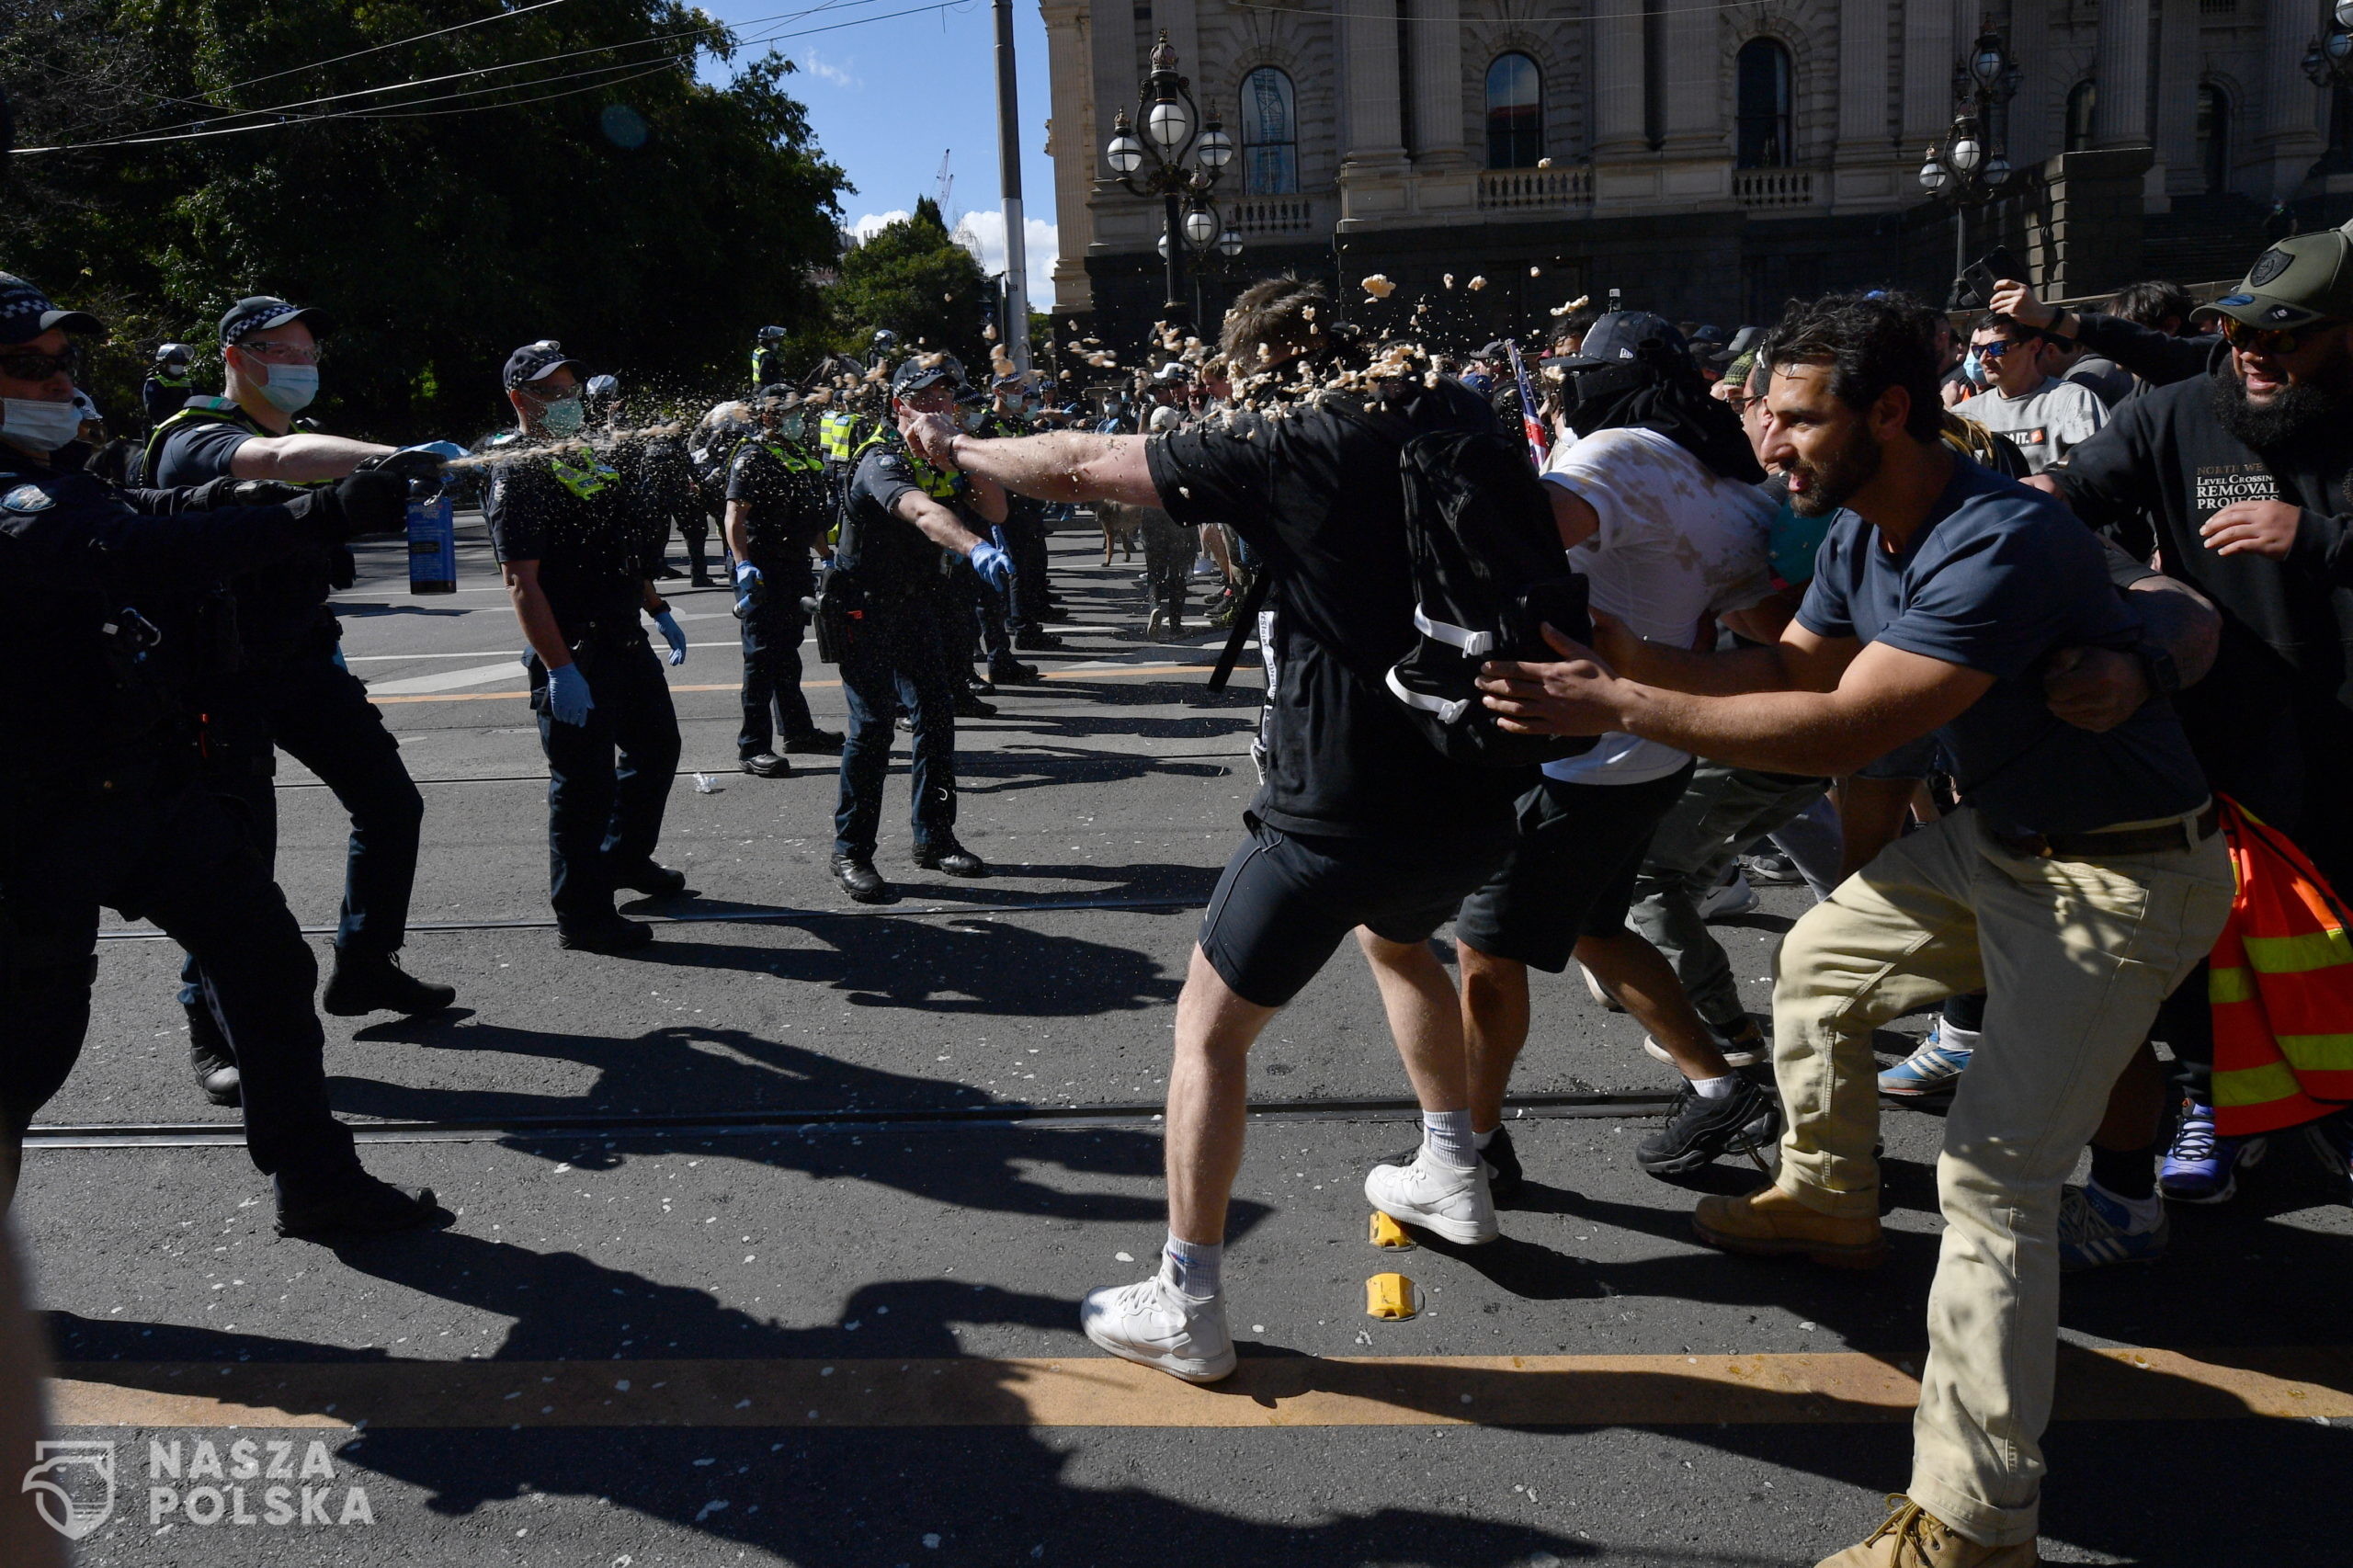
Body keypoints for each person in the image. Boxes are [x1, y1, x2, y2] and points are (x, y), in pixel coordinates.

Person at [1475, 290, 2230, 1568]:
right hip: (1999, 842)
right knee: (1820, 960)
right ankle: (1828, 1201)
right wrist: (1633, 659)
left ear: (1890, 410)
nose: (1770, 447)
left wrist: (1624, 701)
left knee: (1994, 1181)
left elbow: (1844, 730)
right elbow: (1791, 671)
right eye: (1764, 415)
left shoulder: (1996, 537)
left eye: (1797, 421)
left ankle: (1976, 1527)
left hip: (2121, 877)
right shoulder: (1858, 531)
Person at [900, 277, 1544, 1385]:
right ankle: (1455, 1169)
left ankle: (1186, 1300)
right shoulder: (1453, 411)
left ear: (1246, 367)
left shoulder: (1286, 436)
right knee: (1397, 942)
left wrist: (960, 448)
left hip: (1334, 807)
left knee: (1206, 1032)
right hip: (1477, 789)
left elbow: (1074, 465)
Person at [0, 271, 446, 1237]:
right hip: (30, 818)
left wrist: (320, 499)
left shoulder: (61, 474)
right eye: (23, 366)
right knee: (27, 1055)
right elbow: (123, 549)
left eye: (60, 362)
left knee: (265, 956)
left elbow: (147, 513)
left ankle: (316, 1177)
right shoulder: (12, 497)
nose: (52, 382)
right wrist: (313, 513)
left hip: (133, 780)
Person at [2038, 224, 2353, 1198]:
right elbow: (2058, 501)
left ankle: (2337, 1102)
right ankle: (2208, 1098)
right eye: (2237, 332)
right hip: (2226, 734)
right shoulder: (2174, 414)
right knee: (2202, 936)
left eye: (2284, 338)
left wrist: (2316, 536)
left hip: (2343, 734)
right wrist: (2134, 588)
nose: (2253, 355)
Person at [1450, 312, 1781, 1190]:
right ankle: (1720, 1086)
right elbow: (1759, 621)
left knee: (1487, 948)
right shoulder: (1723, 477)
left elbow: (1511, 539)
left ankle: (1469, 1150)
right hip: (1649, 746)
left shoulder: (1620, 454)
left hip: (1578, 751)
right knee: (1596, 925)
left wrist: (1452, 459)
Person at [146, 294, 454, 1108]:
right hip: (221, 680)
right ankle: (210, 1031)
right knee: (237, 865)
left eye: (310, 349)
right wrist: (395, 454)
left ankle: (365, 964)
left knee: (392, 805)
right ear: (237, 358)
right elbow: (279, 466)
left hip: (303, 661)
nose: (302, 363)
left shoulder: (290, 434)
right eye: (285, 350)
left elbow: (300, 471)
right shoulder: (193, 438)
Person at [484, 340, 690, 953]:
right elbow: (521, 579)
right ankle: (582, 912)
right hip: (576, 649)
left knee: (657, 749)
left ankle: (625, 858)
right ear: (521, 398)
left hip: (624, 636)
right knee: (583, 785)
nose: (570, 401)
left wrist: (656, 607)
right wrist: (558, 668)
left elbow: (619, 544)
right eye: (554, 391)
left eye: (574, 389)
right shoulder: (517, 466)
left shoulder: (587, 455)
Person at [825, 355, 1015, 903]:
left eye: (946, 398)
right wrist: (975, 547)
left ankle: (933, 838)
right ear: (898, 406)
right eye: (925, 398)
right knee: (873, 728)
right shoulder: (880, 459)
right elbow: (922, 512)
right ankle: (851, 852)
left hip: (919, 607)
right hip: (864, 609)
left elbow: (997, 508)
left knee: (936, 715)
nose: (938, 407)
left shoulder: (949, 457)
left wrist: (963, 450)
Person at [724, 387, 842, 777]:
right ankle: (753, 746)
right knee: (760, 658)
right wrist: (743, 565)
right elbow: (735, 517)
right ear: (768, 417)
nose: (798, 418)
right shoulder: (752, 457)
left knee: (787, 652)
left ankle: (798, 731)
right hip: (762, 569)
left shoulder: (794, 456)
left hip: (793, 566)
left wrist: (825, 554)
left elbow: (807, 517)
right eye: (790, 412)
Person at [1956, 313, 2107, 473]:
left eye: (1997, 348)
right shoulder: (1966, 414)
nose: (1984, 358)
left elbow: (2096, 466)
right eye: (1979, 350)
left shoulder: (2074, 401)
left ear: (2034, 346)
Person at [986, 372, 1064, 651]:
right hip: (1005, 508)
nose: (1020, 393)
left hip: (1027, 505)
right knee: (1017, 568)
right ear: (999, 392)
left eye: (1021, 388)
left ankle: (1024, 620)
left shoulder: (1017, 423)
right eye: (1015, 389)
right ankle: (1023, 628)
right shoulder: (987, 425)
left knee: (1031, 567)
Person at [141, 340, 193, 426]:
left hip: (188, 426)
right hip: (165, 427)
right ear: (163, 363)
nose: (179, 365)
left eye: (182, 362)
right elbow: (154, 411)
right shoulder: (155, 383)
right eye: (175, 362)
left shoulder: (189, 383)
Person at [751, 324, 788, 392]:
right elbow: (764, 376)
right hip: (766, 391)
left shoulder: (758, 351)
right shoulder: (767, 356)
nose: (778, 343)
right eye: (776, 340)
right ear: (767, 341)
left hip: (757, 387)